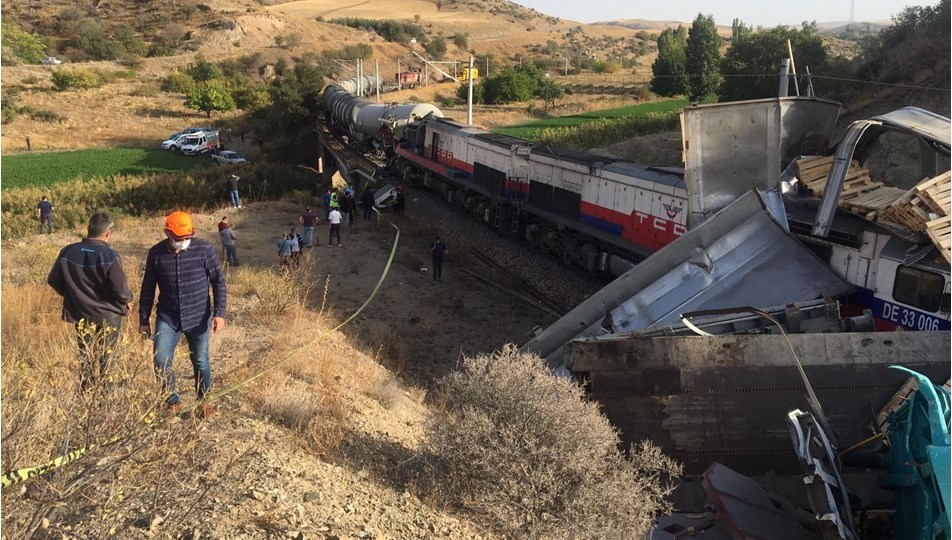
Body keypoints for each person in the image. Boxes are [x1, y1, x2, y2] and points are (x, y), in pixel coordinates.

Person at [139, 211, 226, 416]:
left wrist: (219, 313)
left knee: (200, 361)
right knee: (161, 359)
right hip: (168, 317)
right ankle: (172, 402)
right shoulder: (156, 254)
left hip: (198, 316)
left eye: (187, 237)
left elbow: (218, 281)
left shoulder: (204, 249)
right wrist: (144, 320)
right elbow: (148, 288)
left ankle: (203, 401)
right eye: (179, 239)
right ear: (167, 233)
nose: (184, 242)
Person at [47, 212, 134, 392]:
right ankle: (105, 397)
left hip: (80, 313)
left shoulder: (67, 251)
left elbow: (53, 280)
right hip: (108, 316)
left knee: (85, 356)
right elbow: (120, 290)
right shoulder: (109, 255)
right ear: (108, 233)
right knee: (106, 358)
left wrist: (72, 295)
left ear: (88, 229)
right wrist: (128, 300)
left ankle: (86, 393)